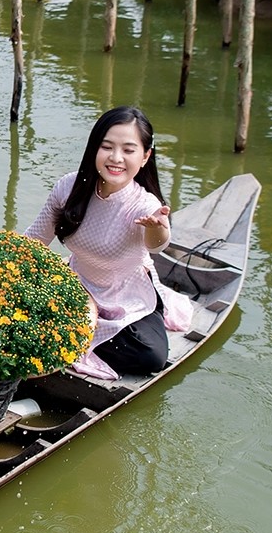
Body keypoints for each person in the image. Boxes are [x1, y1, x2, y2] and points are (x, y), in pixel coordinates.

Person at [24, 106, 183, 382]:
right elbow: (34, 240)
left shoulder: (144, 204)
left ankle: (75, 340)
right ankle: (74, 334)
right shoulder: (69, 187)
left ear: (145, 157)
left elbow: (157, 246)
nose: (116, 158)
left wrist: (159, 228)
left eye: (129, 150)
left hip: (128, 296)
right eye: (107, 147)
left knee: (152, 356)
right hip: (78, 286)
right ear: (94, 148)